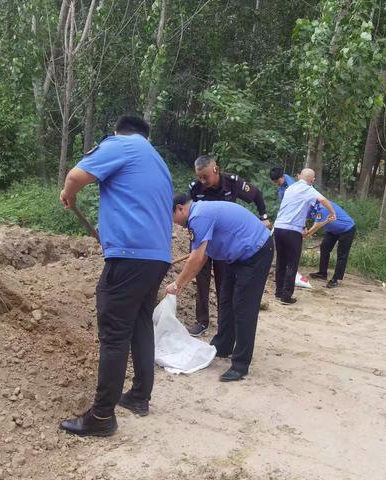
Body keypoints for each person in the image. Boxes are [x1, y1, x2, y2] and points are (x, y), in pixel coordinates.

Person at [59, 115, 173, 437]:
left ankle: (102, 416)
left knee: (114, 333)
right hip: (156, 258)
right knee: (139, 324)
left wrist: (70, 194)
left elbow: (75, 175)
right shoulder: (158, 161)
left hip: (130, 257)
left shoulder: (120, 144)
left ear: (117, 132)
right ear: (147, 136)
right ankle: (139, 396)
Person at [167, 194, 274, 381]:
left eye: (172, 218)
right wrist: (182, 284)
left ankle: (240, 365)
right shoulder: (199, 214)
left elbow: (197, 258)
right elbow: (201, 257)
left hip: (256, 252)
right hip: (237, 257)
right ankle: (223, 346)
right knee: (225, 300)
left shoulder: (199, 216)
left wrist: (178, 284)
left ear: (179, 208)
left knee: (243, 308)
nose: (175, 224)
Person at [187, 154, 269, 337]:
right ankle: (202, 321)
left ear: (215, 169)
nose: (202, 181)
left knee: (224, 282)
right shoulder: (195, 188)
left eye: (205, 177)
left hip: (225, 244)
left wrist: (264, 217)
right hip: (203, 241)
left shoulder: (233, 183)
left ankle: (224, 322)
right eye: (199, 177)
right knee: (201, 279)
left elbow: (256, 194)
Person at [273, 168, 336, 305]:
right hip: (292, 230)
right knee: (292, 263)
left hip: (278, 228)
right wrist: (332, 212)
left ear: (298, 176)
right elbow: (323, 200)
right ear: (312, 180)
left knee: (281, 261)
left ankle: (278, 292)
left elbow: (294, 208)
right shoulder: (308, 189)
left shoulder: (290, 188)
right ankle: (286, 296)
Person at [305, 201, 356, 288]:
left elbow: (317, 226)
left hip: (347, 229)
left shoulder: (323, 208)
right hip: (332, 230)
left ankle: (335, 279)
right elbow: (304, 217)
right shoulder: (311, 207)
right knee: (324, 247)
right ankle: (322, 273)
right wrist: (303, 227)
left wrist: (305, 235)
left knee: (341, 254)